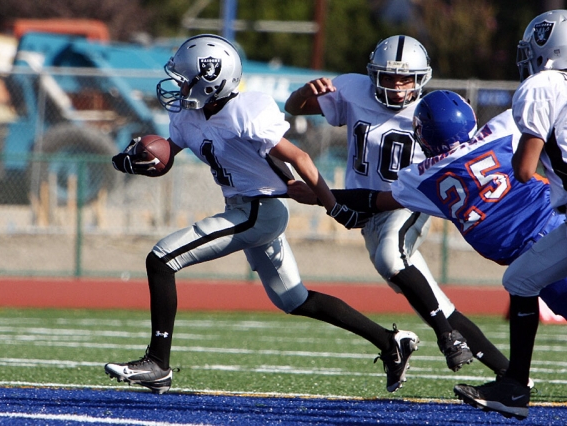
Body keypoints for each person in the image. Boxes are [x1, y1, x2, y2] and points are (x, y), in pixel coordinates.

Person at [103, 34, 420, 395]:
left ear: (211, 81)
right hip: (243, 207)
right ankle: (389, 341)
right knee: (294, 299)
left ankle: (157, 363)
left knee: (161, 259)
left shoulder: (245, 111)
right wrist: (137, 160)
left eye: (186, 79)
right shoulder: (188, 116)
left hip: (261, 211)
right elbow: (166, 154)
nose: (179, 86)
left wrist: (332, 204)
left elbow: (299, 158)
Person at [285, 35, 508, 376]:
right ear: (373, 74)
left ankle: (447, 337)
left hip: (407, 200)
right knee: (432, 301)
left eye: (405, 78)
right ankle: (510, 373)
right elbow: (294, 108)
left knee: (392, 257)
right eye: (388, 76)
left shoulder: (434, 111)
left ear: (422, 79)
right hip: (366, 208)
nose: (396, 85)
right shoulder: (353, 89)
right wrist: (305, 92)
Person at [453, 10, 567, 420]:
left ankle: (516, 386)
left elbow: (523, 168)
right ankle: (515, 388)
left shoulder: (545, 83)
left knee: (520, 278)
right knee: (521, 278)